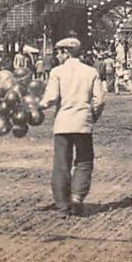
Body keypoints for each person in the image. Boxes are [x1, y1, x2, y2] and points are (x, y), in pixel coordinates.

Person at [40, 37, 105, 217]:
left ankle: (62, 205)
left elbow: (51, 98)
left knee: (61, 164)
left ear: (65, 53)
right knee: (84, 161)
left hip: (63, 123)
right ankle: (76, 198)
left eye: (58, 53)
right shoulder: (91, 72)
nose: (57, 57)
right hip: (83, 122)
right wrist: (93, 116)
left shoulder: (57, 72)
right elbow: (99, 100)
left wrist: (39, 106)